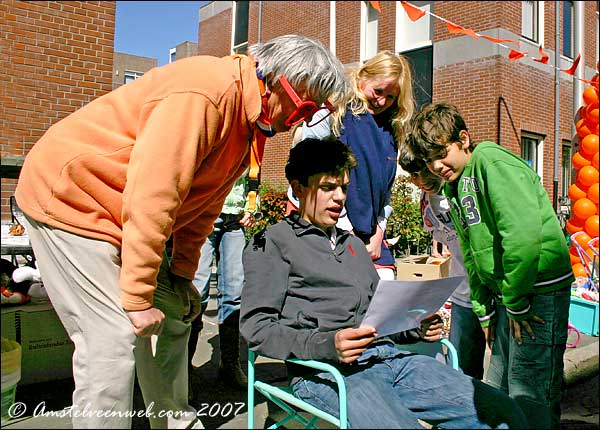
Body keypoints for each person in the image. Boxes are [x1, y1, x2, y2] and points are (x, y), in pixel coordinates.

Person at [14, 35, 347, 429]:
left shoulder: (247, 127)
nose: (300, 122)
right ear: (276, 79)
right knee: (111, 339)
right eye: (303, 108)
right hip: (71, 200)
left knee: (175, 316)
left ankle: (175, 423)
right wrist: (137, 299)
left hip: (120, 212)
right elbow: (152, 197)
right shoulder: (204, 93)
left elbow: (202, 207)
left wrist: (182, 277)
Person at [241, 137, 528, 429]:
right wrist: (328, 345)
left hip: (390, 358)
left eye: (344, 188)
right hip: (328, 373)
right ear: (299, 188)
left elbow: (379, 316)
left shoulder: (352, 245)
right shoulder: (273, 243)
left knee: (502, 412)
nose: (340, 197)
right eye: (328, 188)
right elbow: (257, 328)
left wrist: (415, 326)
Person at [405, 102, 574, 429]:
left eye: (442, 154)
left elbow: (522, 236)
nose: (437, 166)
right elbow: (470, 250)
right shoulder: (455, 183)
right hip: (509, 297)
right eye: (429, 160)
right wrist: (484, 305)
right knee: (499, 385)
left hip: (535, 291)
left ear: (463, 139)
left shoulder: (492, 163)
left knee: (530, 386)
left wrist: (515, 301)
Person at [287, 51, 415, 280]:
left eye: (392, 97)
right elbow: (307, 170)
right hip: (325, 227)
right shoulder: (332, 111)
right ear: (363, 77)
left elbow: (384, 194)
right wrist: (347, 230)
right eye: (377, 91)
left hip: (369, 234)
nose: (382, 101)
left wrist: (379, 232)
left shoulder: (390, 130)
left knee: (383, 293)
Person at [398, 149, 486, 379]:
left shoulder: (461, 190)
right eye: (411, 175)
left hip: (488, 289)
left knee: (502, 366)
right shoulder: (427, 198)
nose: (416, 181)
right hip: (462, 292)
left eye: (418, 172)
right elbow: (443, 236)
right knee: (463, 367)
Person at [188, 170, 258, 391]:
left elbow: (254, 178)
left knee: (235, 294)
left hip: (234, 219)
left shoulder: (252, 139)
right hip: (205, 213)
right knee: (197, 293)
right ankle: (183, 370)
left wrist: (252, 207)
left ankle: (229, 364)